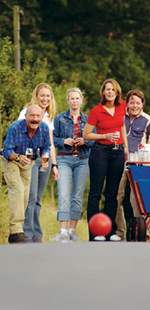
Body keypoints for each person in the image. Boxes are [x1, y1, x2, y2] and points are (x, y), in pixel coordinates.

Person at [83, 79, 128, 241]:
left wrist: (126, 149)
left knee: (112, 193)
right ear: (103, 92)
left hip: (117, 152)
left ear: (117, 93)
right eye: (107, 89)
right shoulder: (96, 111)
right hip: (100, 152)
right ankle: (94, 233)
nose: (110, 92)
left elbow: (122, 126)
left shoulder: (122, 107)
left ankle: (110, 232)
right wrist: (104, 136)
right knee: (95, 192)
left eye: (113, 90)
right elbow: (86, 134)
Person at [2, 105, 51, 243]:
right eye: (32, 116)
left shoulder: (44, 129)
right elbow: (6, 151)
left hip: (29, 163)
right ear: (26, 116)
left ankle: (17, 230)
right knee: (17, 190)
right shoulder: (15, 128)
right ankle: (16, 231)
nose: (35, 119)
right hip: (11, 160)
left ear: (41, 117)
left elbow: (46, 147)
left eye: (38, 116)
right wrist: (18, 157)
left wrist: (45, 158)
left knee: (25, 195)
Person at [115, 89, 150, 240]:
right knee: (117, 196)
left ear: (142, 104)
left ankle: (142, 232)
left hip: (138, 162)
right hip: (119, 160)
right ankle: (119, 232)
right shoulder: (119, 117)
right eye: (131, 102)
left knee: (137, 199)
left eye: (137, 103)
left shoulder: (149, 121)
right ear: (127, 103)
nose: (134, 105)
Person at [18, 83, 58, 243]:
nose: (45, 98)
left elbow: (51, 143)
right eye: (42, 95)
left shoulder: (48, 116)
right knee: (31, 197)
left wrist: (54, 165)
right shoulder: (26, 112)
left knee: (38, 199)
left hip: (45, 160)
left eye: (48, 96)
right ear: (36, 95)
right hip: (31, 159)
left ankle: (36, 235)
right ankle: (28, 233)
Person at [53, 88, 92, 242]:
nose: (74, 101)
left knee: (77, 195)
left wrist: (85, 141)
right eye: (72, 98)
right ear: (68, 100)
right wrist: (64, 141)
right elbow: (53, 139)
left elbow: (95, 141)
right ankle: (62, 231)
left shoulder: (88, 120)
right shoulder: (59, 118)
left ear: (81, 100)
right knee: (63, 194)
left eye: (77, 98)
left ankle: (72, 231)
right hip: (64, 159)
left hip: (83, 160)